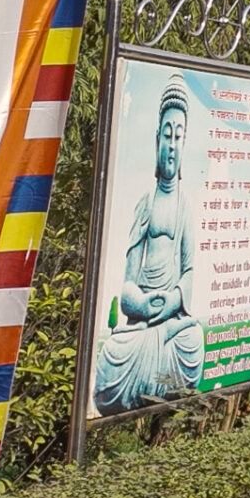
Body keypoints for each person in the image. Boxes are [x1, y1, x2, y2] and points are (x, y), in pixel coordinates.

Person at [94, 74, 204, 414]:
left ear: (184, 146)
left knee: (194, 340)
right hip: (142, 321)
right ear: (157, 138)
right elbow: (127, 283)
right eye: (167, 135)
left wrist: (172, 300)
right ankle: (146, 387)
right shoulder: (145, 203)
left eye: (178, 137)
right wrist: (141, 303)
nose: (171, 145)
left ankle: (157, 385)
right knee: (114, 350)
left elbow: (189, 272)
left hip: (170, 321)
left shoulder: (185, 205)